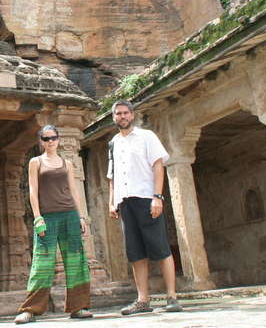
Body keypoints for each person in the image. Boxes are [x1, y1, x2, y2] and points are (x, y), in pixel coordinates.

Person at [107, 100, 183, 315]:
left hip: (146, 198)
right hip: (125, 202)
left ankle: (171, 297)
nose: (122, 117)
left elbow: (158, 166)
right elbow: (112, 175)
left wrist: (157, 197)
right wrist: (112, 201)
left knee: (160, 247)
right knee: (136, 252)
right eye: (118, 114)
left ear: (132, 115)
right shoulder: (113, 143)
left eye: (125, 113)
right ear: (114, 118)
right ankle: (143, 300)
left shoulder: (146, 136)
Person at [14, 125, 92, 324]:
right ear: (41, 141)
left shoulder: (67, 163)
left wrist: (81, 216)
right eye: (46, 138)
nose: (50, 141)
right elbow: (33, 191)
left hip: (69, 215)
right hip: (47, 217)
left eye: (53, 138)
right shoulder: (36, 162)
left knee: (76, 261)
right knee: (42, 263)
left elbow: (73, 190)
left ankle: (78, 307)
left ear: (58, 139)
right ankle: (30, 310)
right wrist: (37, 217)